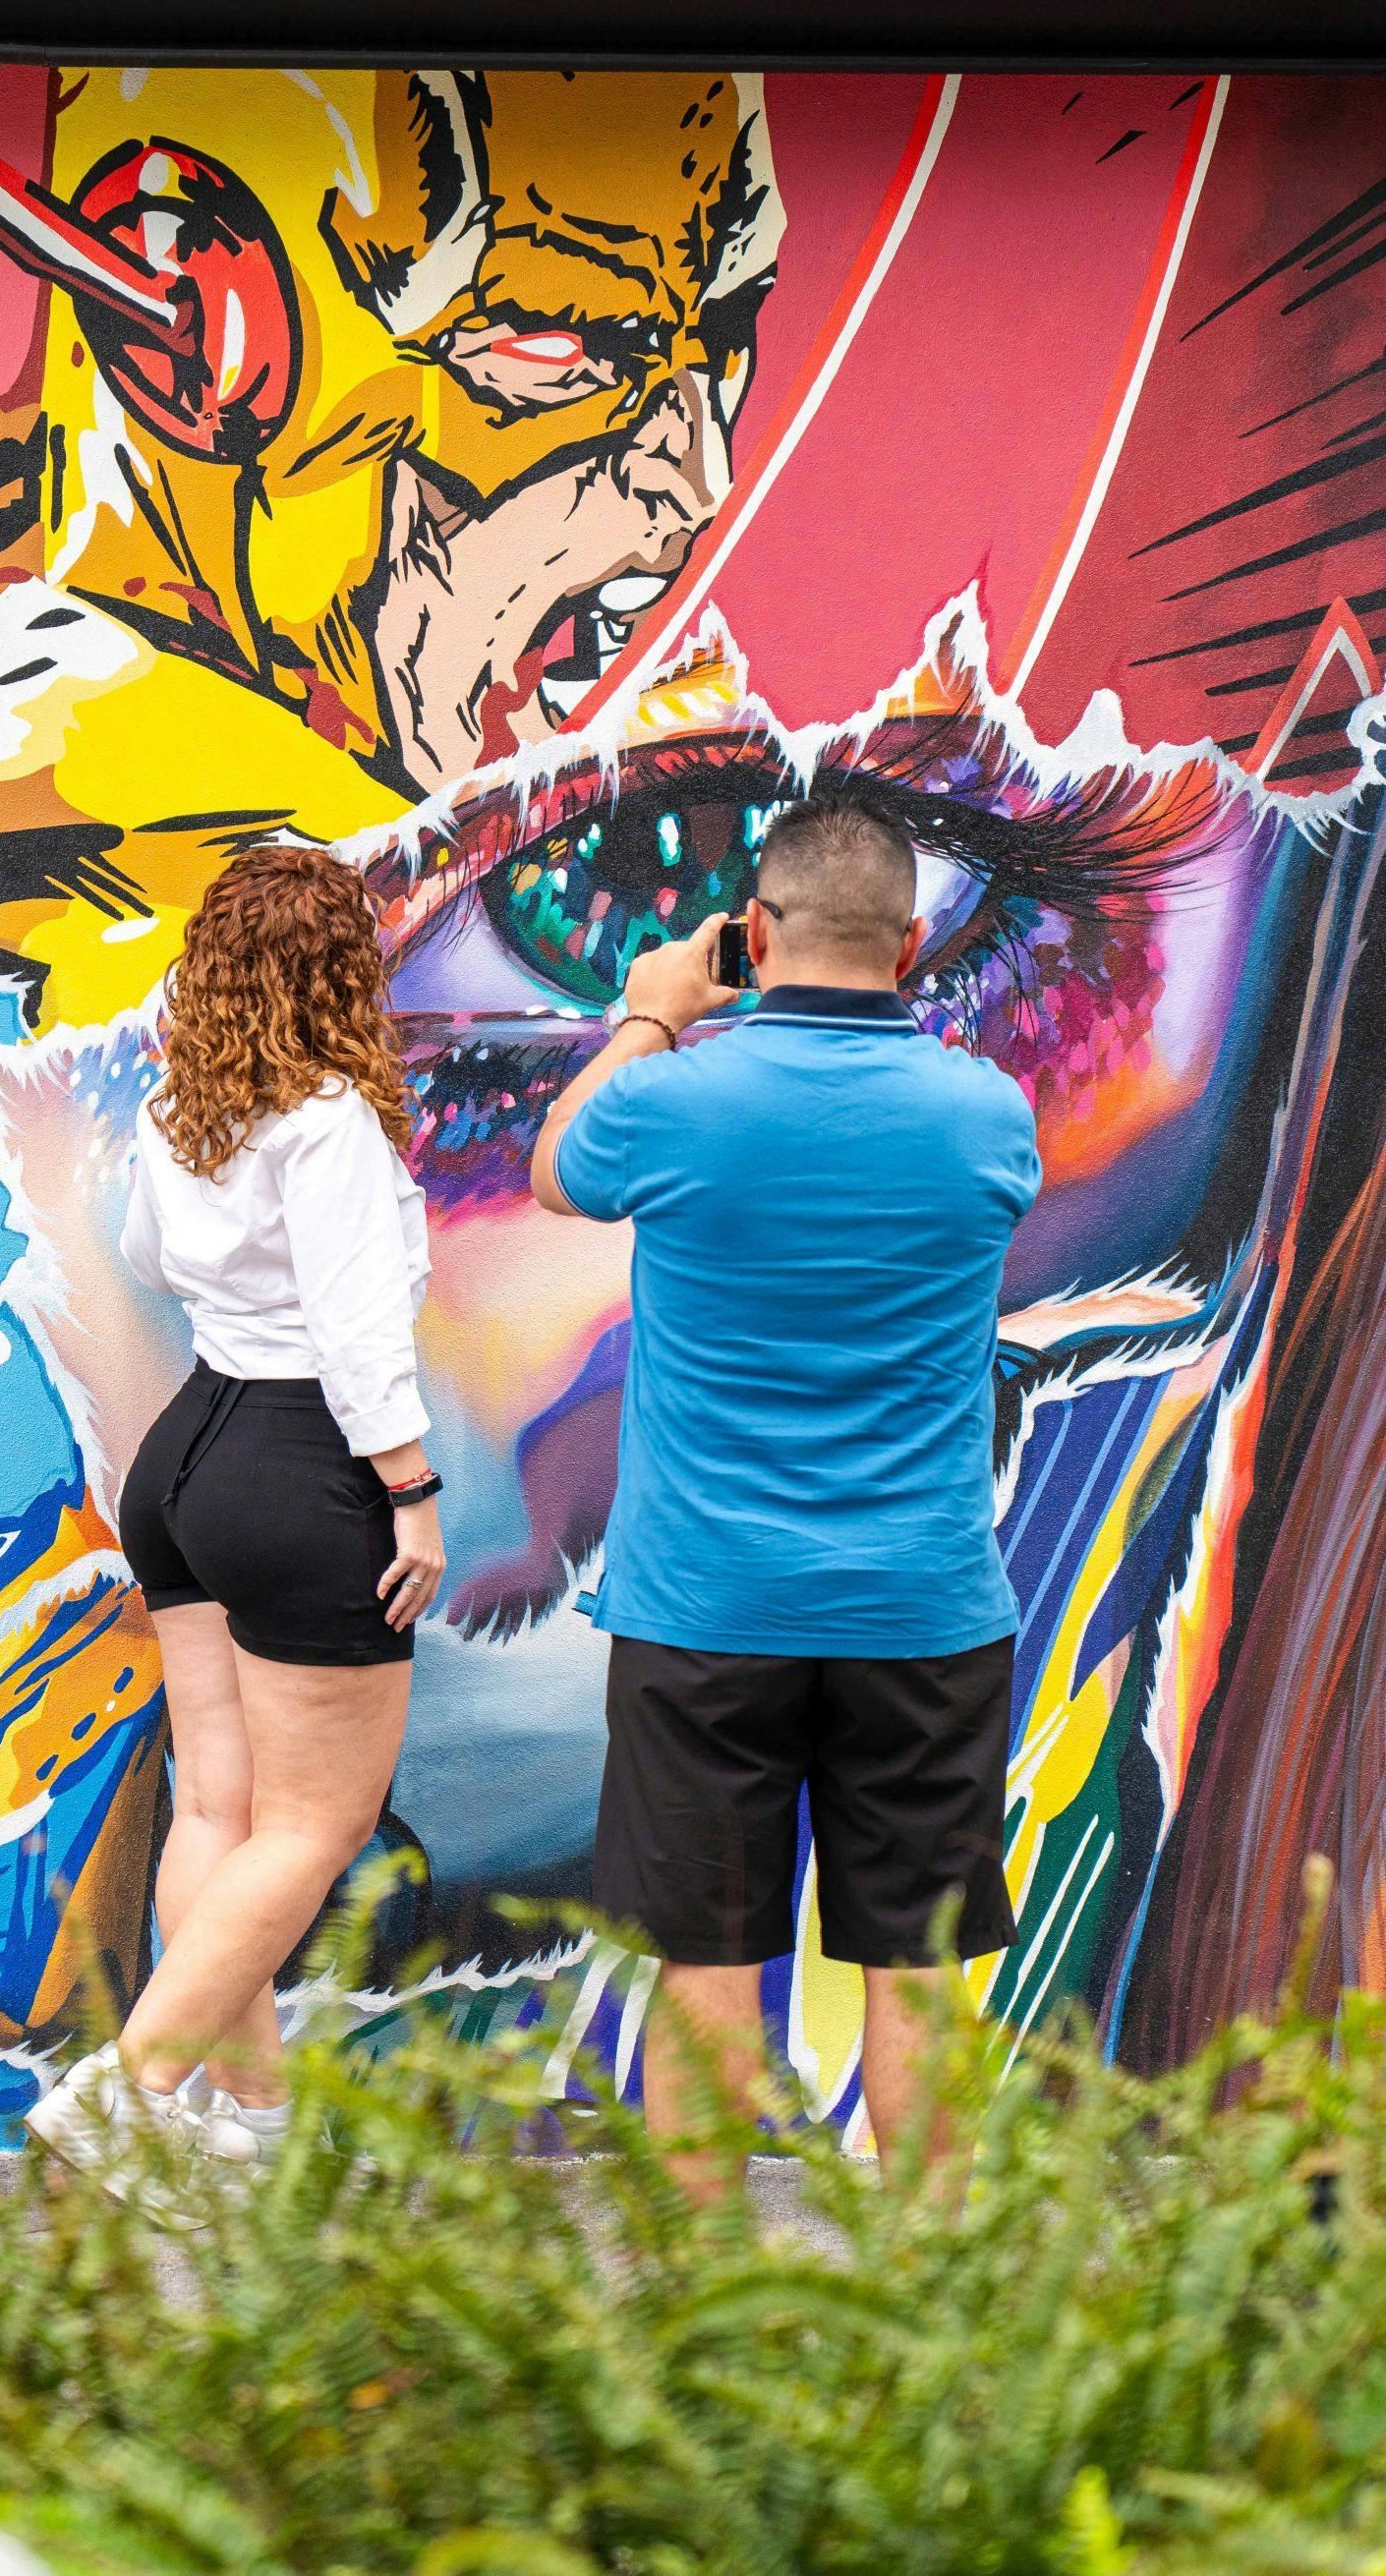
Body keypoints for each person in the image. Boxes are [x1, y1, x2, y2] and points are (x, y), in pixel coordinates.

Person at [529, 771, 1042, 2195]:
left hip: (706, 1608)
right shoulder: (986, 1115)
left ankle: (702, 2303)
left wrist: (650, 1013)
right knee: (918, 1970)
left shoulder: (675, 1103)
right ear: (914, 942)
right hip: (921, 1611)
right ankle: (930, 2280)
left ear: (754, 931)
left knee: (705, 1965)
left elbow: (559, 1169)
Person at [28, 844, 445, 2188]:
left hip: (188, 1457)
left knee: (216, 1803)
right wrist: (412, 1494)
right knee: (318, 1824)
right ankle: (126, 2093)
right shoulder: (329, 1122)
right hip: (300, 1461)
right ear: (344, 974)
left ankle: (248, 2123)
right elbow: (358, 1334)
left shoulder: (182, 1114)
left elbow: (152, 1262)